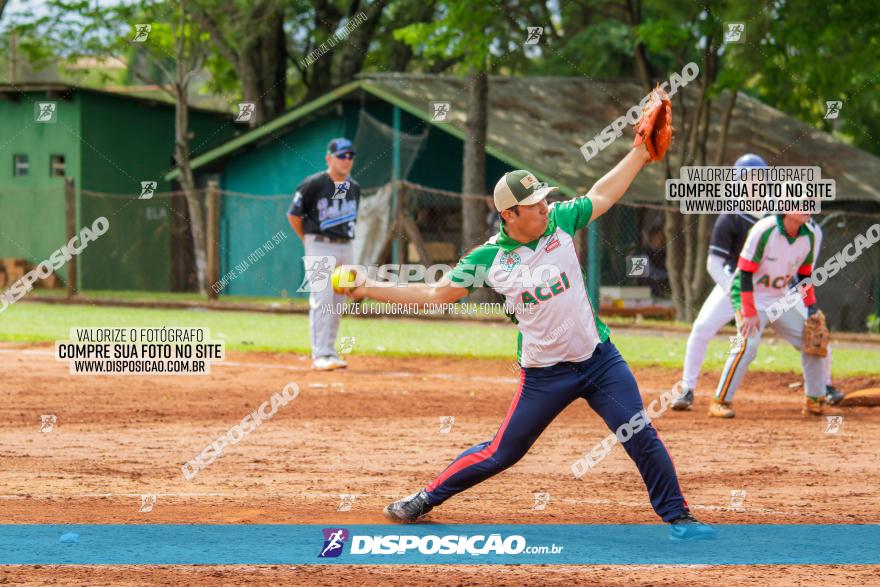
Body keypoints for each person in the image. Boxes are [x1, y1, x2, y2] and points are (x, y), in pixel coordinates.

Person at [344, 142, 714, 539]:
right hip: (544, 375)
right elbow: (436, 294)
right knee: (503, 452)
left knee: (638, 431)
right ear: (509, 214)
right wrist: (368, 288)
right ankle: (424, 498)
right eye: (534, 203)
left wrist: (640, 153)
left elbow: (601, 194)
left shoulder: (560, 222)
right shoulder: (489, 259)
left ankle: (680, 519)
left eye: (543, 200)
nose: (543, 207)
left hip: (599, 360)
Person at [671, 154, 842, 410]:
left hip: (778, 290)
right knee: (702, 328)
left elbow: (801, 268)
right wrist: (735, 294)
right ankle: (687, 388)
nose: (754, 183)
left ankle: (824, 386)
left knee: (814, 333)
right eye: (748, 179)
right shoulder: (731, 216)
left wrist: (805, 302)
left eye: (759, 177)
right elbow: (713, 264)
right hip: (735, 282)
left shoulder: (785, 215)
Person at [709, 212, 826, 418]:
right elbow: (744, 272)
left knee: (812, 339)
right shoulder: (764, 230)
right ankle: (720, 401)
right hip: (750, 295)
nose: (807, 207)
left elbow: (805, 275)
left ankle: (814, 400)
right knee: (748, 345)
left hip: (779, 299)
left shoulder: (809, 234)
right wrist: (749, 311)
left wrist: (811, 307)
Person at [287, 138, 361, 371]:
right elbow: (294, 215)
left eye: (350, 156)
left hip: (345, 246)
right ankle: (320, 354)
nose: (347, 160)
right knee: (323, 299)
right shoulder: (314, 184)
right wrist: (307, 240)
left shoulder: (355, 187)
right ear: (329, 158)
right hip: (319, 244)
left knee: (338, 301)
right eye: (341, 156)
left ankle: (330, 351)